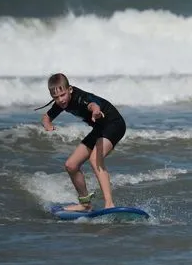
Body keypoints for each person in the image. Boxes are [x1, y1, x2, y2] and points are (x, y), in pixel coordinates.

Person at [36, 73, 126, 211]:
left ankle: (109, 204)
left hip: (114, 124)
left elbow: (92, 104)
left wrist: (96, 111)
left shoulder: (79, 98)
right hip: (99, 128)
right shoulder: (61, 103)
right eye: (56, 97)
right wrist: (47, 125)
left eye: (63, 95)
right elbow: (46, 117)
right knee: (71, 165)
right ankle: (85, 204)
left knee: (95, 159)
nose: (60, 100)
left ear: (70, 89)